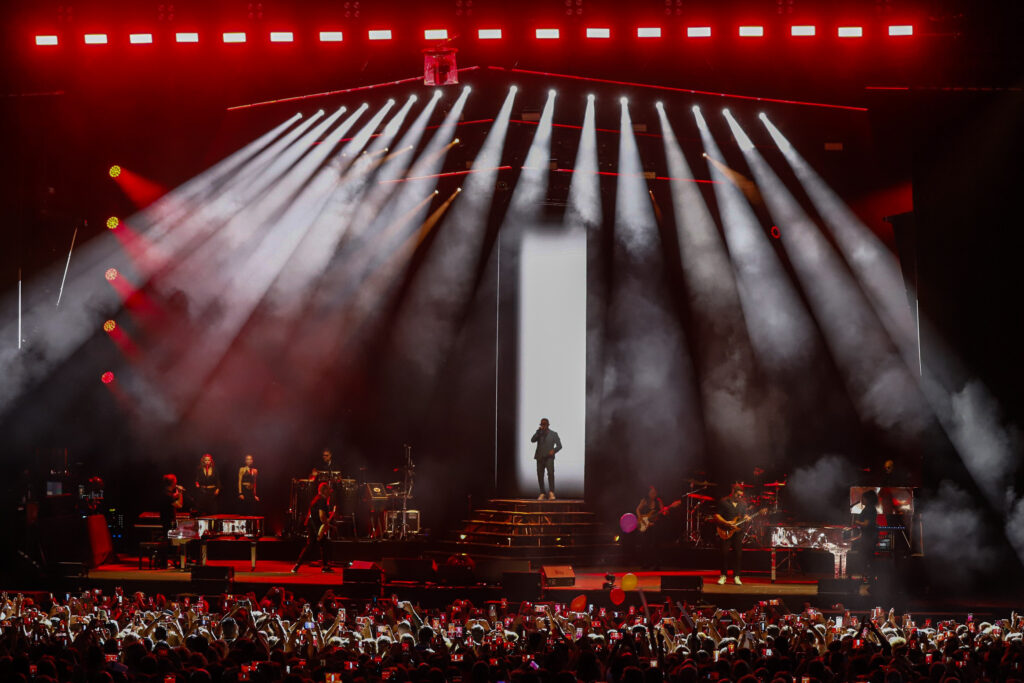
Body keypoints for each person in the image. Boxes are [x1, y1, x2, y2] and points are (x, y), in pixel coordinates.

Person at [292, 482, 336, 573]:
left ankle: (297, 565)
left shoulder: (316, 499)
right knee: (319, 545)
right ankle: (324, 567)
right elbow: (321, 516)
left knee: (316, 545)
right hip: (316, 526)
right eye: (328, 490)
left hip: (312, 524)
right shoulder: (322, 500)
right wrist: (328, 524)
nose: (330, 492)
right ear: (324, 491)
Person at [715, 482, 749, 585]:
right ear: (732, 492)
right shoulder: (724, 501)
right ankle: (723, 575)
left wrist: (746, 517)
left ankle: (736, 576)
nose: (739, 497)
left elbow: (743, 515)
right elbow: (717, 515)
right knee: (724, 553)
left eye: (741, 495)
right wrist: (726, 522)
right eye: (737, 495)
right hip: (725, 530)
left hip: (738, 531)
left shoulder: (743, 504)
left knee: (738, 554)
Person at [158, 474, 186, 569]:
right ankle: (165, 563)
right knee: (171, 542)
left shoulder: (165, 493)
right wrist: (181, 493)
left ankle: (167, 562)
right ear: (173, 483)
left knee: (170, 541)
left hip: (166, 520)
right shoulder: (167, 495)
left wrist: (176, 494)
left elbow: (172, 497)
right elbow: (179, 505)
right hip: (169, 521)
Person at [531, 418, 562, 500]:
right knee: (540, 475)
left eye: (544, 424)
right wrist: (537, 432)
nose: (543, 426)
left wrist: (554, 450)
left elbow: (559, 445)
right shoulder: (539, 434)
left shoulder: (554, 434)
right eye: (541, 424)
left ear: (548, 425)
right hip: (540, 457)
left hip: (549, 457)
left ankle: (551, 492)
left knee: (551, 474)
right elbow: (532, 440)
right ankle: (542, 492)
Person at [853, 488, 880, 581]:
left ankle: (869, 578)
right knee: (869, 559)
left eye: (863, 498)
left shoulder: (869, 509)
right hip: (869, 537)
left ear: (868, 499)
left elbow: (866, 524)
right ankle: (870, 579)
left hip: (868, 538)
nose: (861, 500)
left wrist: (856, 521)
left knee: (865, 558)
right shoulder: (871, 508)